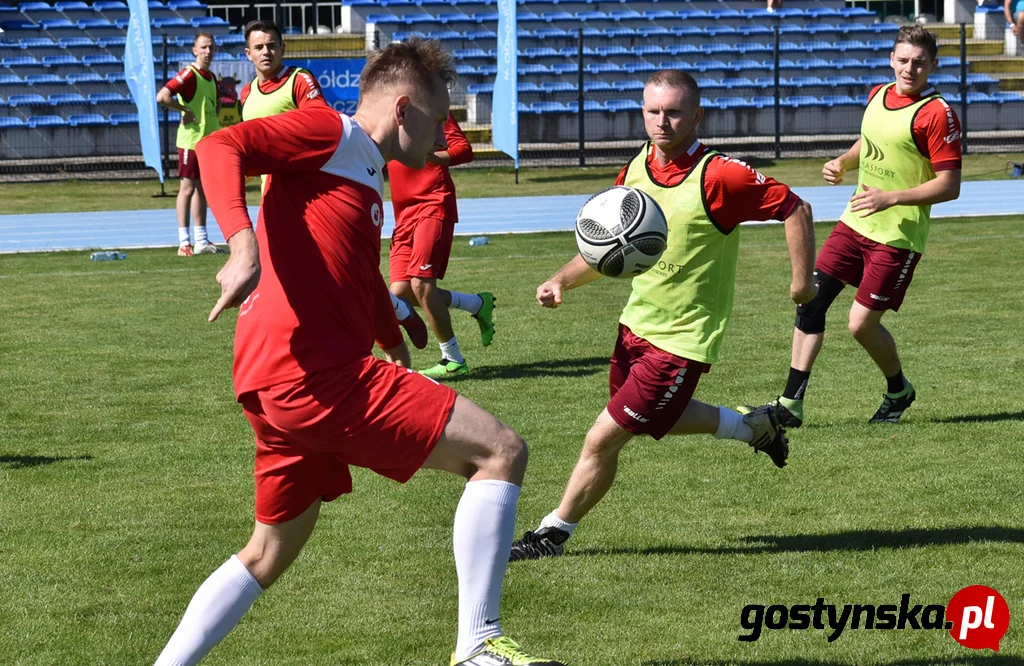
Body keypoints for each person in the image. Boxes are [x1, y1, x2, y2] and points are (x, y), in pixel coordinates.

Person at [152, 39, 565, 666]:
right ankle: (478, 649)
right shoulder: (331, 132)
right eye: (436, 121)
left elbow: (356, 271)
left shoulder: (362, 169)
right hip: (314, 376)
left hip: (273, 384)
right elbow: (218, 145)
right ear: (402, 111)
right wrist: (242, 244)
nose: (442, 138)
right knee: (501, 452)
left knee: (266, 553)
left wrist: (395, 340)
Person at [508, 69, 817, 562]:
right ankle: (755, 427)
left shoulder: (721, 175)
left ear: (697, 115)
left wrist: (803, 281)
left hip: (683, 339)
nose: (662, 122)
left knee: (602, 437)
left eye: (674, 112)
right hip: (635, 326)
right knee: (654, 420)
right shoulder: (633, 171)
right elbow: (607, 251)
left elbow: (795, 208)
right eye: (653, 111)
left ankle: (551, 534)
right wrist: (561, 279)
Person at [747, 25, 961, 429]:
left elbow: (949, 186)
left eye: (919, 62)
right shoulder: (878, 94)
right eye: (903, 60)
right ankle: (790, 404)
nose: (909, 69)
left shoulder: (936, 113)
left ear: (933, 65)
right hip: (855, 222)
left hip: (897, 236)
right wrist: (843, 162)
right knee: (809, 299)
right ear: (891, 59)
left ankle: (898, 389)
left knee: (861, 325)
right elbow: (871, 140)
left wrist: (891, 197)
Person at [236, 18, 428, 349]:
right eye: (259, 47)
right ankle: (384, 317)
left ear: (283, 48)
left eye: (271, 45)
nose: (266, 52)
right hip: (272, 196)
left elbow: (319, 122)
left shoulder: (298, 81)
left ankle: (390, 317)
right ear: (248, 54)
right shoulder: (246, 93)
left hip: (311, 195)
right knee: (296, 276)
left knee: (340, 270)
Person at [388, 111, 495, 379]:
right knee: (400, 291)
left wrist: (430, 157)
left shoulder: (430, 106)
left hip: (433, 203)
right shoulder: (385, 110)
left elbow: (464, 150)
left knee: (422, 284)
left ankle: (453, 359)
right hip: (403, 213)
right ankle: (476, 304)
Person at [156, 32, 224, 256]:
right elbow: (163, 96)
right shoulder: (189, 73)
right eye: (203, 47)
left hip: (208, 143)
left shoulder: (212, 77)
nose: (208, 51)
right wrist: (184, 110)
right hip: (191, 142)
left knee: (202, 189)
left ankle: (201, 240)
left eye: (211, 47)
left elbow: (216, 107)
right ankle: (183, 242)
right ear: (194, 50)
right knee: (187, 189)